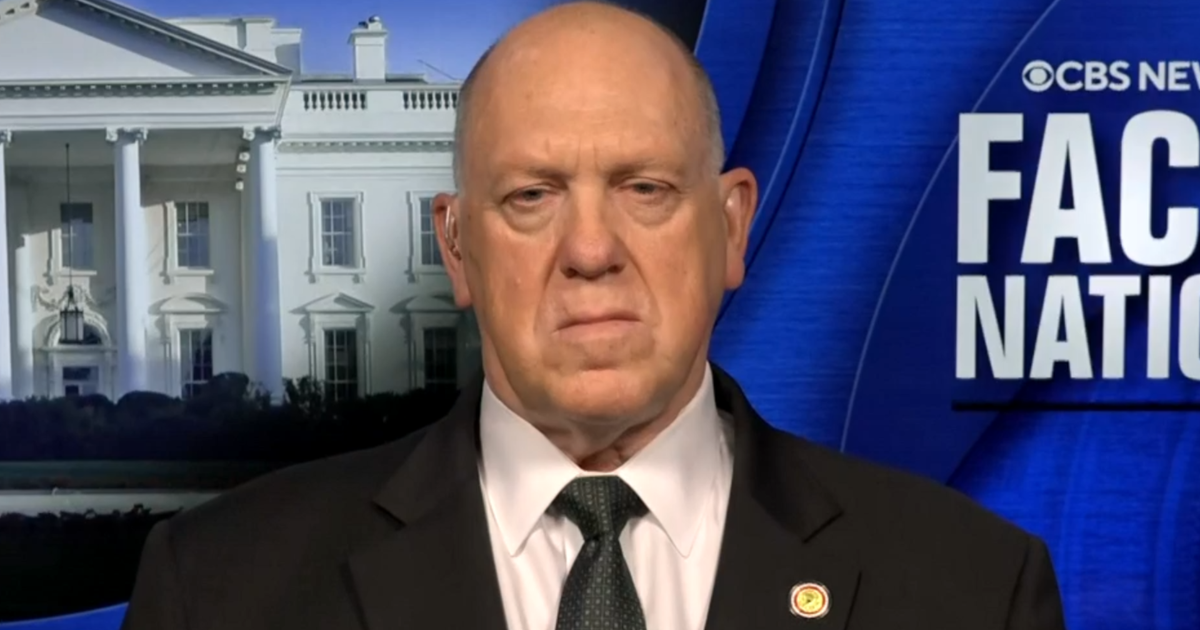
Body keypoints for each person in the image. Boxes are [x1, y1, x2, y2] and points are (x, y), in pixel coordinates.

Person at [121, 2, 1067, 629]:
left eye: (645, 187)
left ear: (732, 227)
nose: (589, 249)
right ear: (457, 248)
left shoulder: (968, 589)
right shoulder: (224, 591)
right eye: (531, 196)